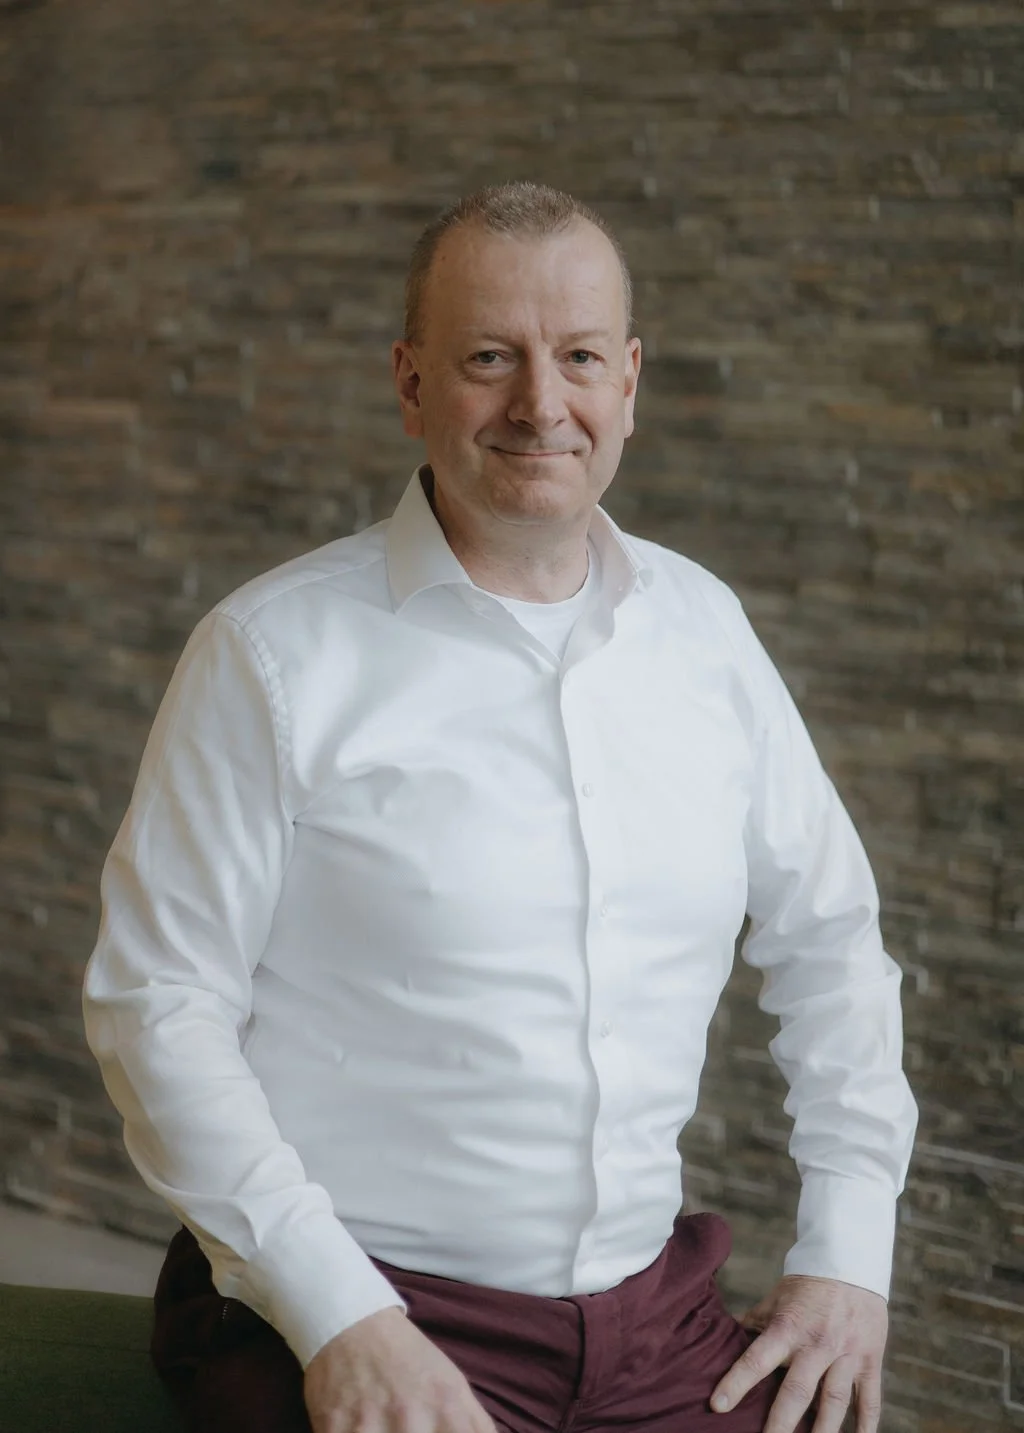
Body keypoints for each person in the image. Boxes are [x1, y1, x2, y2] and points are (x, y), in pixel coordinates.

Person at [83, 181, 918, 1433]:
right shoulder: (269, 653)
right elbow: (158, 1006)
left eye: (577, 356)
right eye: (489, 358)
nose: (540, 403)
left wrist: (847, 1254)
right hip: (356, 1293)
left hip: (649, 1316)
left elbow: (831, 941)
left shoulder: (703, 631)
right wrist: (343, 1317)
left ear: (627, 380)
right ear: (410, 381)